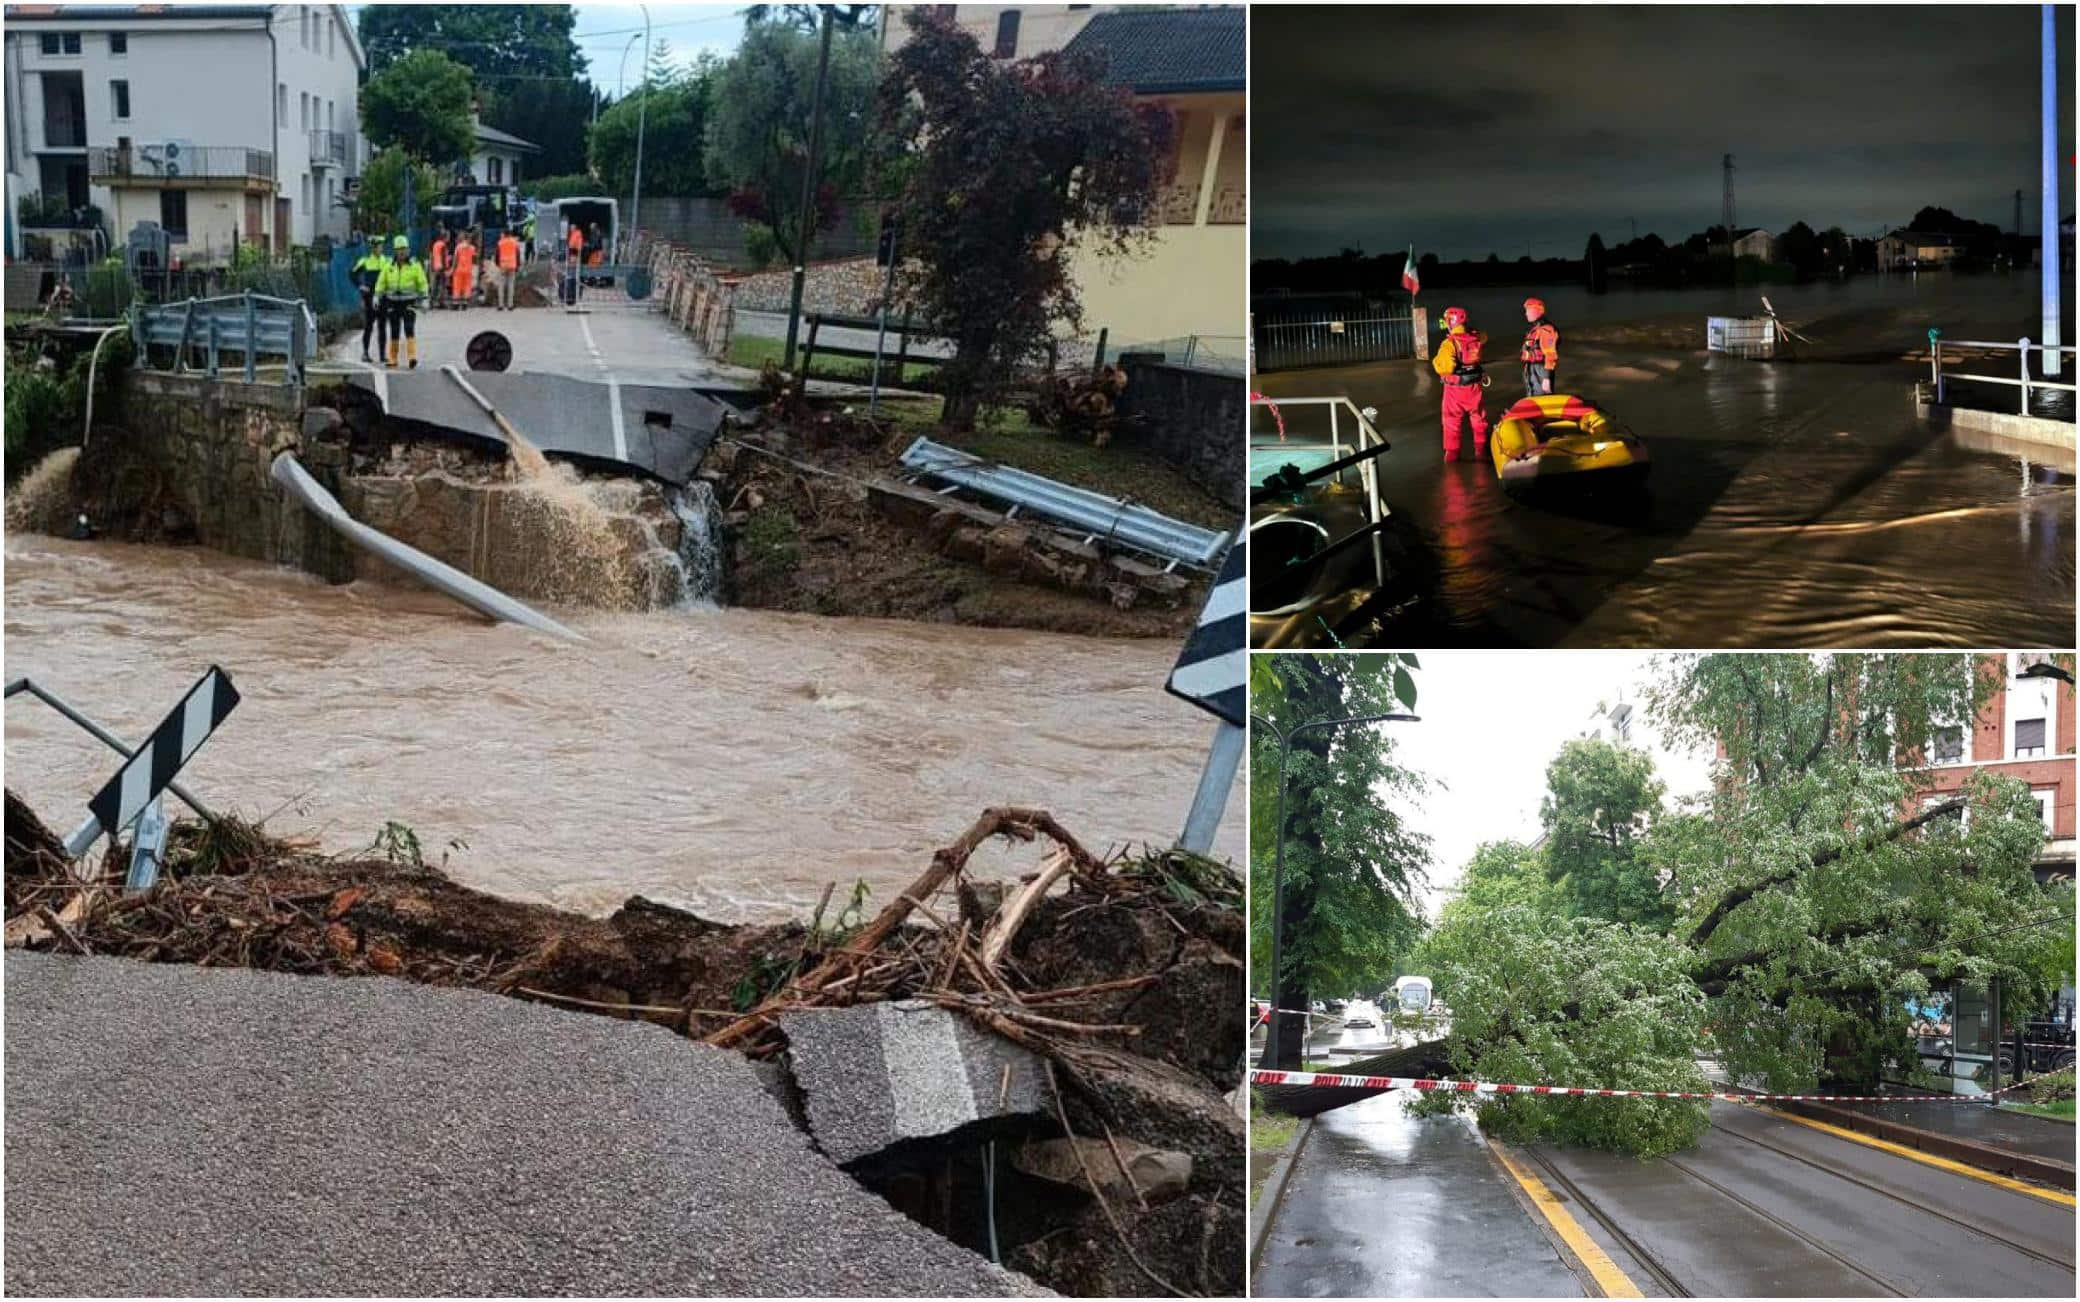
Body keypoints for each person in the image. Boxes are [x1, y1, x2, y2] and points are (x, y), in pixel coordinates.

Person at [1430, 306, 1489, 461]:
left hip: (1454, 390)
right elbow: (1484, 337)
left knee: (1451, 420)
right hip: (1474, 387)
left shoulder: (1449, 344)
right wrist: (1469, 331)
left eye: (1447, 320)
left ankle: (1452, 453)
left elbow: (1446, 368)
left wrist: (1436, 362)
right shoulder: (1475, 338)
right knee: (1478, 418)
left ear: (1452, 321)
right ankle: (1481, 449)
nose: (1445, 323)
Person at [374, 234, 428, 369]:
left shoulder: (415, 266)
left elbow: (422, 283)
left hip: (409, 302)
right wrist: (377, 295)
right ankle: (393, 358)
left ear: (408, 250)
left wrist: (425, 299)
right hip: (392, 302)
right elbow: (381, 282)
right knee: (394, 330)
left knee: (409, 327)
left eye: (404, 249)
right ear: (395, 251)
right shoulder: (388, 266)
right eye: (399, 249)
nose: (402, 252)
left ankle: (412, 357)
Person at [351, 234, 388, 363]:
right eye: (378, 246)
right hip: (369, 297)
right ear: (373, 248)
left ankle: (382, 355)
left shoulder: (386, 261)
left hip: (383, 297)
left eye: (381, 246)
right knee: (369, 326)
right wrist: (360, 286)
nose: (381, 248)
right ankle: (365, 353)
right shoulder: (365, 261)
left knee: (382, 326)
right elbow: (352, 273)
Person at [1520, 297, 1560, 396]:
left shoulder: (1546, 329)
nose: (1526, 314)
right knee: (1533, 395)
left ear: (1535, 311)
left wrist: (1546, 377)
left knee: (1541, 397)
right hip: (1532, 368)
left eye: (1528, 311)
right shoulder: (1536, 329)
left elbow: (1550, 354)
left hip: (1541, 369)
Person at [494, 227, 522, 310]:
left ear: (504, 234)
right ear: (510, 234)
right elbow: (518, 255)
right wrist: (518, 265)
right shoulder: (515, 243)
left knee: (501, 285)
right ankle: (510, 305)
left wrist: (497, 264)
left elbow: (497, 255)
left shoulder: (500, 243)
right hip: (512, 265)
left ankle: (500, 305)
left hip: (502, 265)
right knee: (511, 285)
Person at [450, 231, 478, 308]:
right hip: (468, 270)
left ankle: (456, 304)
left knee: (457, 286)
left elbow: (455, 259)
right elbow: (475, 259)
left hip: (459, 270)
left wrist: (452, 269)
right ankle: (465, 304)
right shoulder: (472, 248)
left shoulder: (458, 247)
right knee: (467, 286)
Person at [428, 230, 450, 309]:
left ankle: (431, 302)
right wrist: (445, 269)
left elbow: (433, 257)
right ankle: (441, 303)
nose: (449, 239)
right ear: (445, 237)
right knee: (442, 286)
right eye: (448, 237)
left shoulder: (435, 244)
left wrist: (432, 267)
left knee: (435, 286)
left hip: (435, 267)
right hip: (441, 268)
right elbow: (443, 257)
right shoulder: (443, 245)